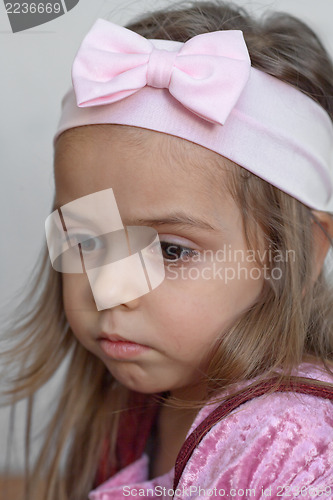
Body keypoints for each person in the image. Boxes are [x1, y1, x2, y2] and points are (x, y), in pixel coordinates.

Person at [1, 1, 333, 499]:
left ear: (300, 255)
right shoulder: (140, 408)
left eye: (172, 251)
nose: (110, 290)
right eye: (85, 240)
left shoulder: (293, 445)